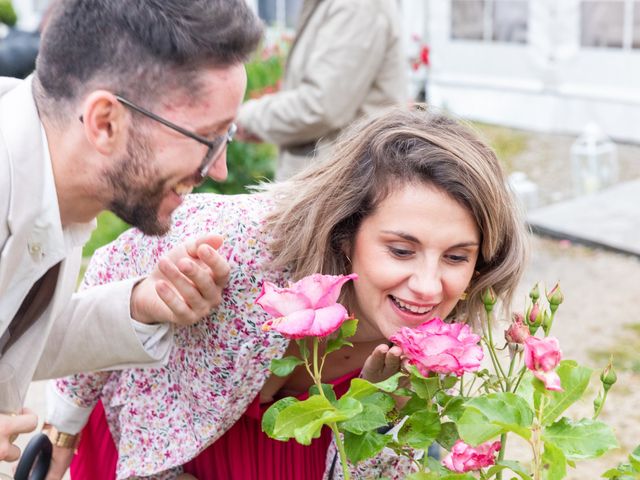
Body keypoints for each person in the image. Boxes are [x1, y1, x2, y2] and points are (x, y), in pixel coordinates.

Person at [46, 106, 528, 479]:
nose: (428, 286)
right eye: (401, 250)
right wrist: (63, 424)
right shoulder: (240, 245)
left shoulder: (446, 340)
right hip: (161, 441)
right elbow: (113, 267)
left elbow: (380, 466)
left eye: (456, 256)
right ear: (345, 234)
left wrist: (388, 412)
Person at [0, 0, 263, 463]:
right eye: (208, 139)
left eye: (229, 136)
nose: (220, 169)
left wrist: (143, 304)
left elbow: (18, 334)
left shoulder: (52, 179)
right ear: (105, 123)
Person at [236, 0, 407, 180]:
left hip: (344, 187)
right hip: (336, 182)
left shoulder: (355, 6)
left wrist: (247, 117)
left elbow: (321, 107)